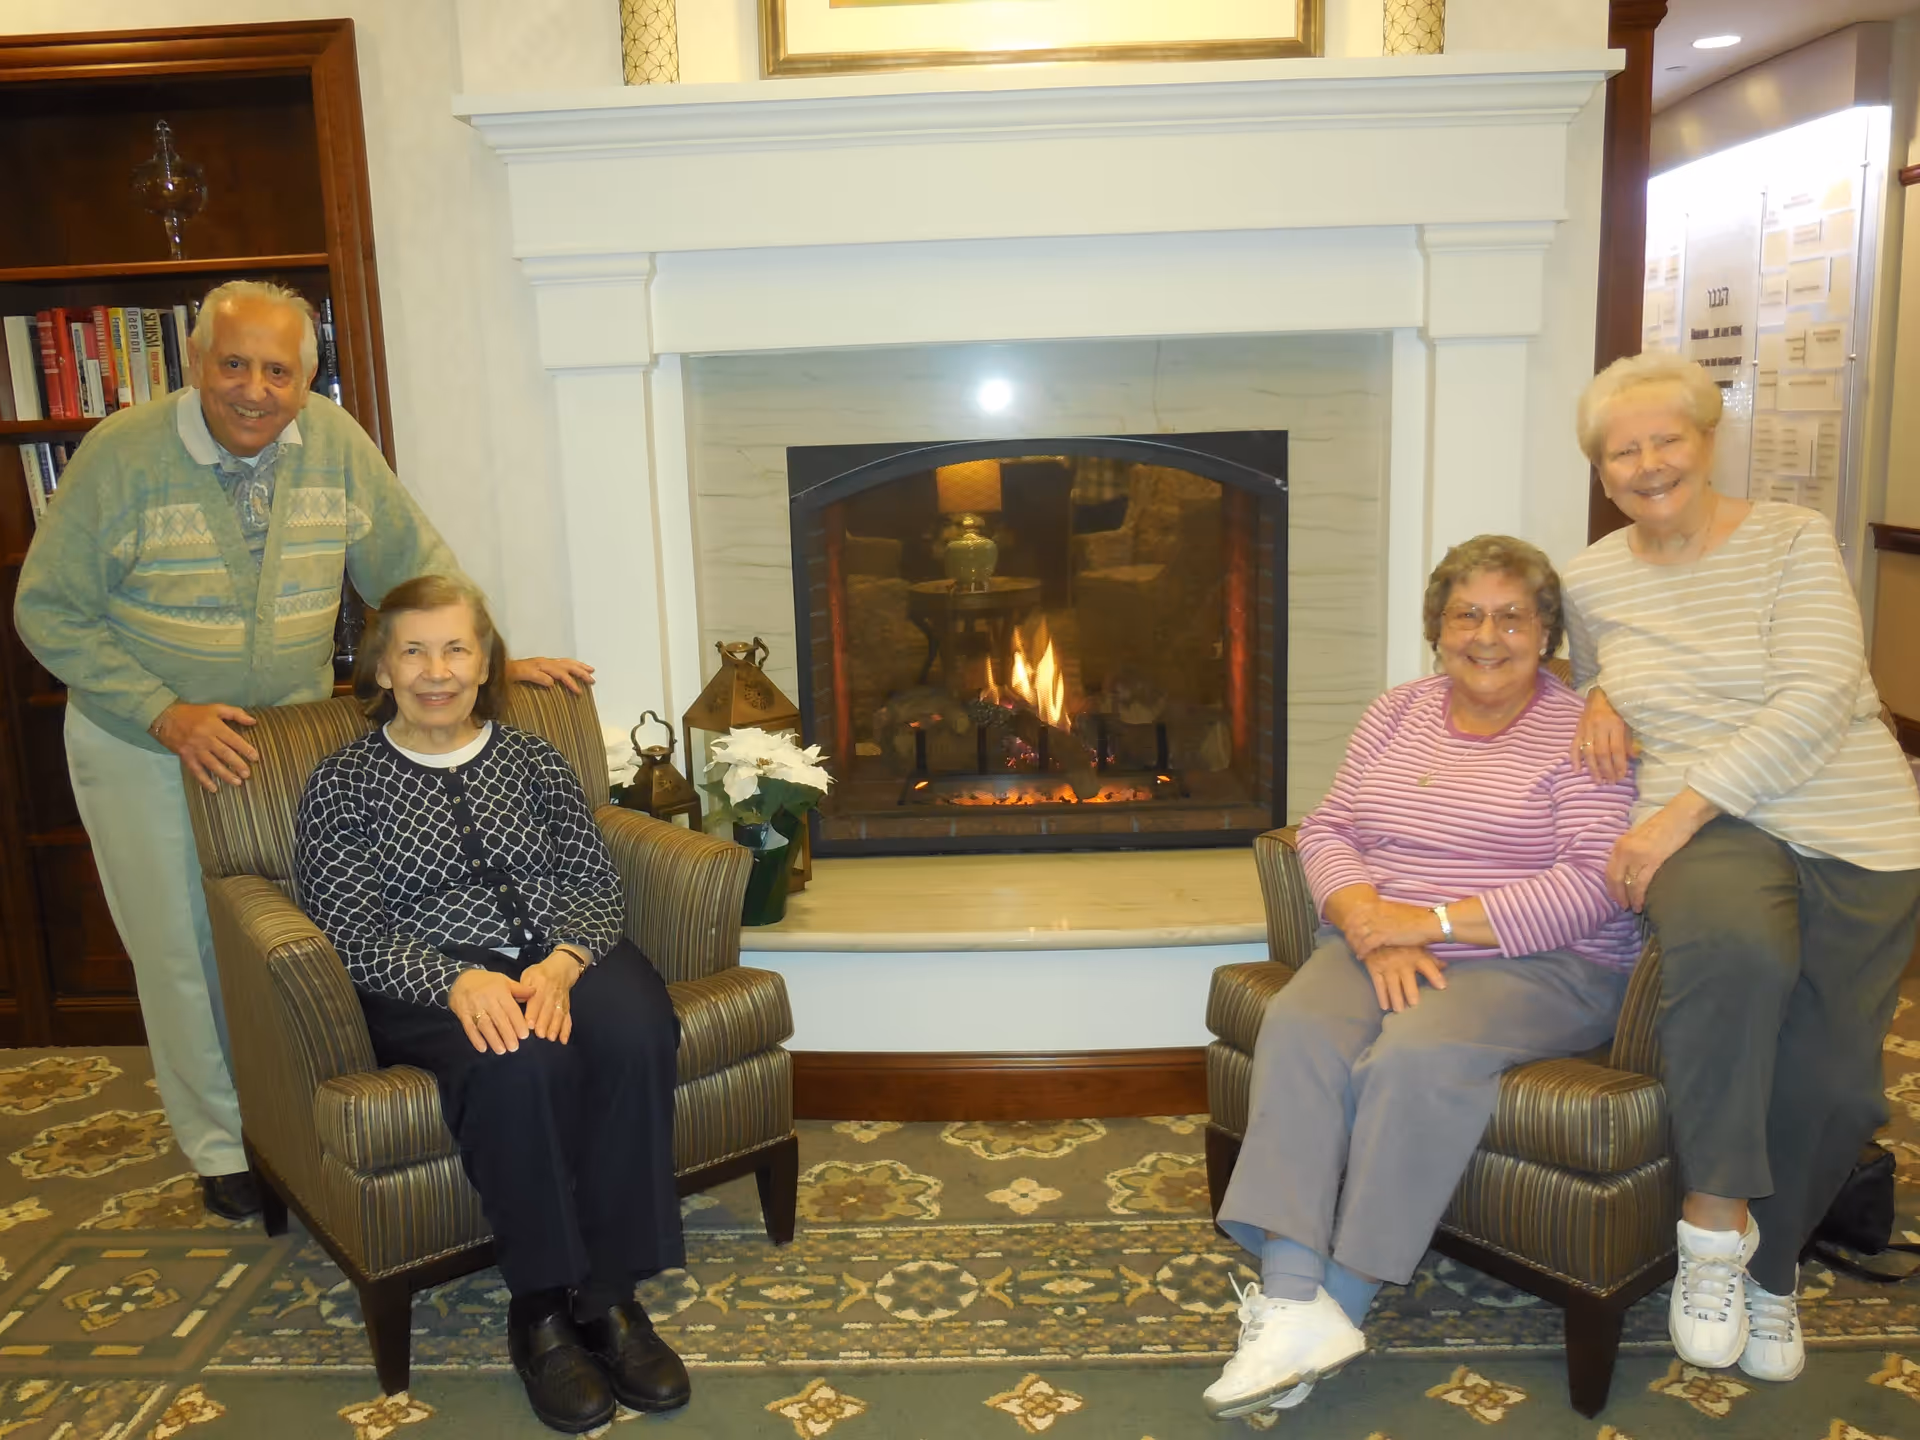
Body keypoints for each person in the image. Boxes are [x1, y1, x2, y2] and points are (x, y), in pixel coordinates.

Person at [12, 280, 592, 1221]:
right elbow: (47, 610)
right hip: (145, 743)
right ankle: (219, 1146)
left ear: (306, 378)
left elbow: (411, 566)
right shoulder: (120, 455)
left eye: (278, 371)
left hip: (279, 741)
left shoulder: (333, 442)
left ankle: (285, 1123)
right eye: (234, 364)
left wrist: (486, 660)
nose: (254, 389)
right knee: (184, 952)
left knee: (285, 935)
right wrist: (165, 713)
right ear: (196, 362)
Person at [1206, 535, 1640, 1422]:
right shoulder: (1398, 711)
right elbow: (1329, 829)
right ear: (1437, 629)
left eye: (1512, 616)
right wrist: (1371, 923)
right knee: (1300, 1023)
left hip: (1541, 960)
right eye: (1466, 614)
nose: (1488, 635)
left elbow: (1591, 885)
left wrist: (1427, 923)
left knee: (1415, 1056)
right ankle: (1289, 1300)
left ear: (1547, 632)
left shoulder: (1583, 734)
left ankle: (1343, 1299)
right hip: (1384, 935)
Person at [1564, 352, 1920, 1384]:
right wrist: (1599, 698)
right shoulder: (1590, 578)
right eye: (1622, 451)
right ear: (1601, 472)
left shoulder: (1792, 540)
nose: (1647, 464)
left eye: (1665, 439)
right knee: (1736, 958)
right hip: (1708, 835)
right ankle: (1714, 1230)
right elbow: (1592, 673)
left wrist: (1673, 814)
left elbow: (1818, 696)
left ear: (1708, 441)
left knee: (1838, 1079)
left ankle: (1773, 1273)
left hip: (1850, 821)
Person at [296, 575, 687, 1433]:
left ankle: (610, 1297)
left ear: (485, 663)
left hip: (561, 951)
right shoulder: (342, 783)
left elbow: (592, 879)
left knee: (637, 1027)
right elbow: (347, 927)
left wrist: (566, 960)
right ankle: (541, 1309)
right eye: (413, 651)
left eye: (456, 649)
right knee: (520, 1061)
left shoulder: (533, 759)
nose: (436, 671)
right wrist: (452, 980)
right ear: (382, 669)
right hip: (429, 975)